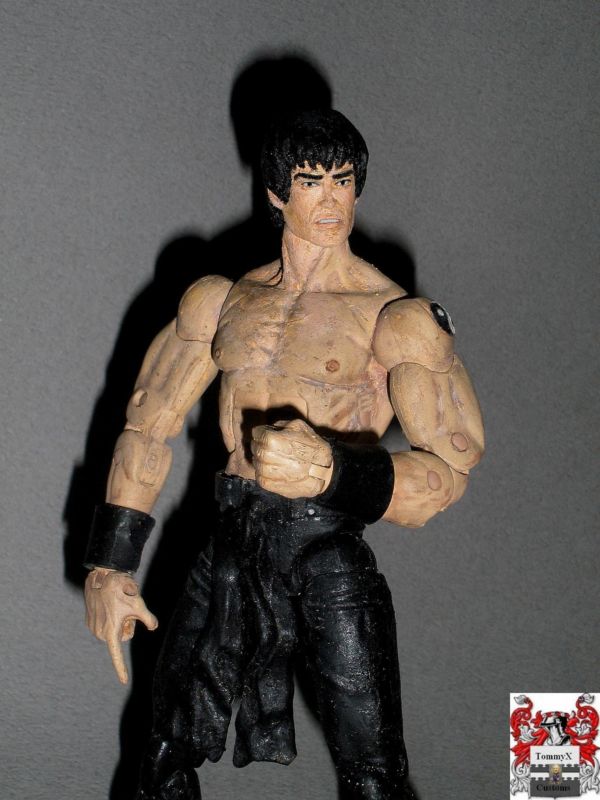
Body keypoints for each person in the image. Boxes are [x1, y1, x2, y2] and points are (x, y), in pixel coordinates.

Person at [84, 109, 484, 799]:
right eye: (310, 182)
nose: (330, 200)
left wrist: (334, 472)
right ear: (276, 193)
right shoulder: (223, 302)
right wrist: (110, 565)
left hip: (325, 552)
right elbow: (148, 426)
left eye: (343, 181)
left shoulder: (392, 316)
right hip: (232, 542)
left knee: (373, 774)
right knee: (163, 753)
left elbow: (450, 473)